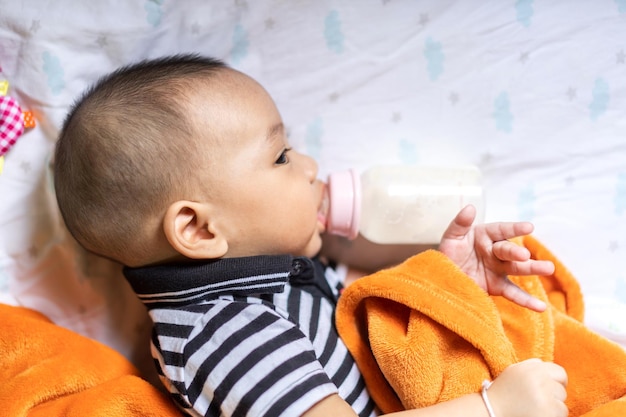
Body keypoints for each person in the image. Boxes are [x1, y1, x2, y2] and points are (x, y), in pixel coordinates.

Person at [53, 54, 568, 417]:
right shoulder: (226, 333)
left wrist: (448, 278)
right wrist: (493, 407)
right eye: (280, 156)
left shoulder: (274, 274)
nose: (310, 165)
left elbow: (376, 327)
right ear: (199, 228)